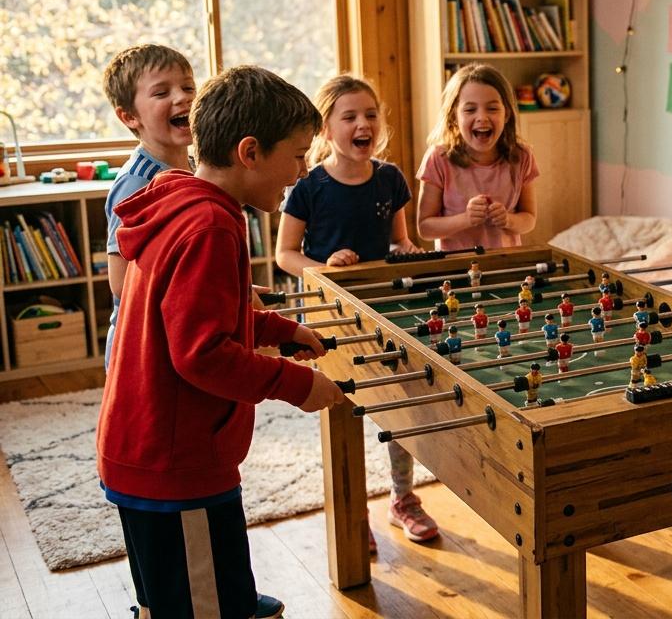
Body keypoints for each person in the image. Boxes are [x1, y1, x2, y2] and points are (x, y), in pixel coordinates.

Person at [97, 65, 346, 619]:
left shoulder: (184, 199)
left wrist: (282, 331)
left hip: (156, 449)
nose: (301, 172)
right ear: (250, 151)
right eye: (298, 154)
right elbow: (201, 354)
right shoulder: (209, 226)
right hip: (174, 460)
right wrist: (297, 384)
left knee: (187, 587)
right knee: (195, 601)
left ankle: (222, 598)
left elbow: (198, 311)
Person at [274, 74, 439, 551]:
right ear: (326, 128)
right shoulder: (308, 186)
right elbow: (286, 254)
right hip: (334, 316)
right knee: (343, 409)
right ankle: (352, 511)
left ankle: (403, 499)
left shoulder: (390, 178)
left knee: (402, 406)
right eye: (349, 116)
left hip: (391, 310)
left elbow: (399, 241)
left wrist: (406, 250)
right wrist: (326, 267)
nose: (362, 124)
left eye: (370, 115)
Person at [102, 44, 196, 370]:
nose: (182, 97)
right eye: (161, 92)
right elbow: (120, 280)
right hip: (140, 342)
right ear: (129, 116)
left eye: (188, 86)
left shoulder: (197, 168)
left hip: (178, 330)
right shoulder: (136, 183)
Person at [416, 63, 539, 250]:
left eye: (492, 108)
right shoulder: (438, 159)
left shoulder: (522, 157)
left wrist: (508, 220)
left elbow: (529, 219)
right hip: (455, 272)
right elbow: (425, 228)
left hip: (506, 266)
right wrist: (465, 219)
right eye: (470, 110)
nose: (482, 117)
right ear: (453, 117)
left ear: (506, 114)